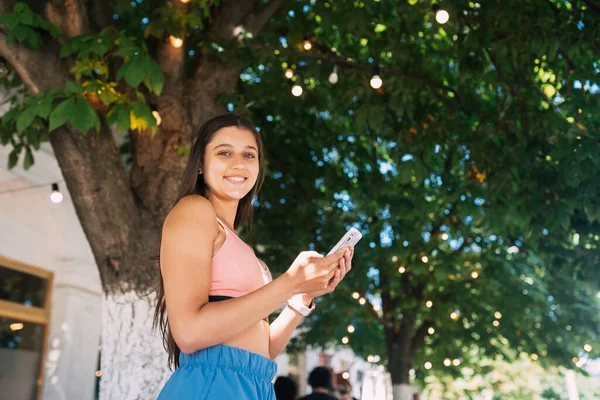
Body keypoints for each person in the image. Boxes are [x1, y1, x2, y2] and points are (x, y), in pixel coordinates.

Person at [153, 113, 354, 399]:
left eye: (249, 155)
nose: (238, 163)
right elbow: (189, 333)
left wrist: (302, 298)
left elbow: (264, 348)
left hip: (256, 385)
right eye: (224, 152)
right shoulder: (194, 210)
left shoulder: (240, 245)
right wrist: (290, 282)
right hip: (215, 385)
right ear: (199, 164)